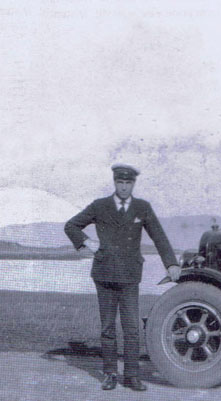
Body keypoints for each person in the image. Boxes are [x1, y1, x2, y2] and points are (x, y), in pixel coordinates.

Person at [64, 164, 181, 391]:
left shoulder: (142, 207)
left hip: (129, 276)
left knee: (131, 328)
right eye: (120, 182)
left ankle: (132, 376)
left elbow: (159, 236)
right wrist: (88, 243)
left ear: (133, 184)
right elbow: (71, 226)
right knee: (108, 328)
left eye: (128, 183)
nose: (124, 187)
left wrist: (171, 263)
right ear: (115, 182)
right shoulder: (100, 206)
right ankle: (109, 374)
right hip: (104, 274)